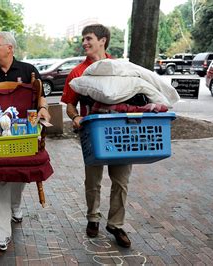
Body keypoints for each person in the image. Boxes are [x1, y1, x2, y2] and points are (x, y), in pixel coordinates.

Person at [0, 31, 51, 251]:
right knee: (1, 178)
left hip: (24, 136)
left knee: (18, 178)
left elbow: (41, 97)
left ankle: (15, 206)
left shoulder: (28, 71)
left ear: (9, 48)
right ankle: (1, 234)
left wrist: (43, 109)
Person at [61, 24, 132, 248]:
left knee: (121, 181)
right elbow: (70, 104)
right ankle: (93, 218)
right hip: (92, 133)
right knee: (93, 181)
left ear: (103, 41)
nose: (84, 43)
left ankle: (116, 224)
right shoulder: (77, 72)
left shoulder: (119, 67)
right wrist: (75, 118)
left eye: (89, 38)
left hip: (121, 132)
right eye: (83, 39)